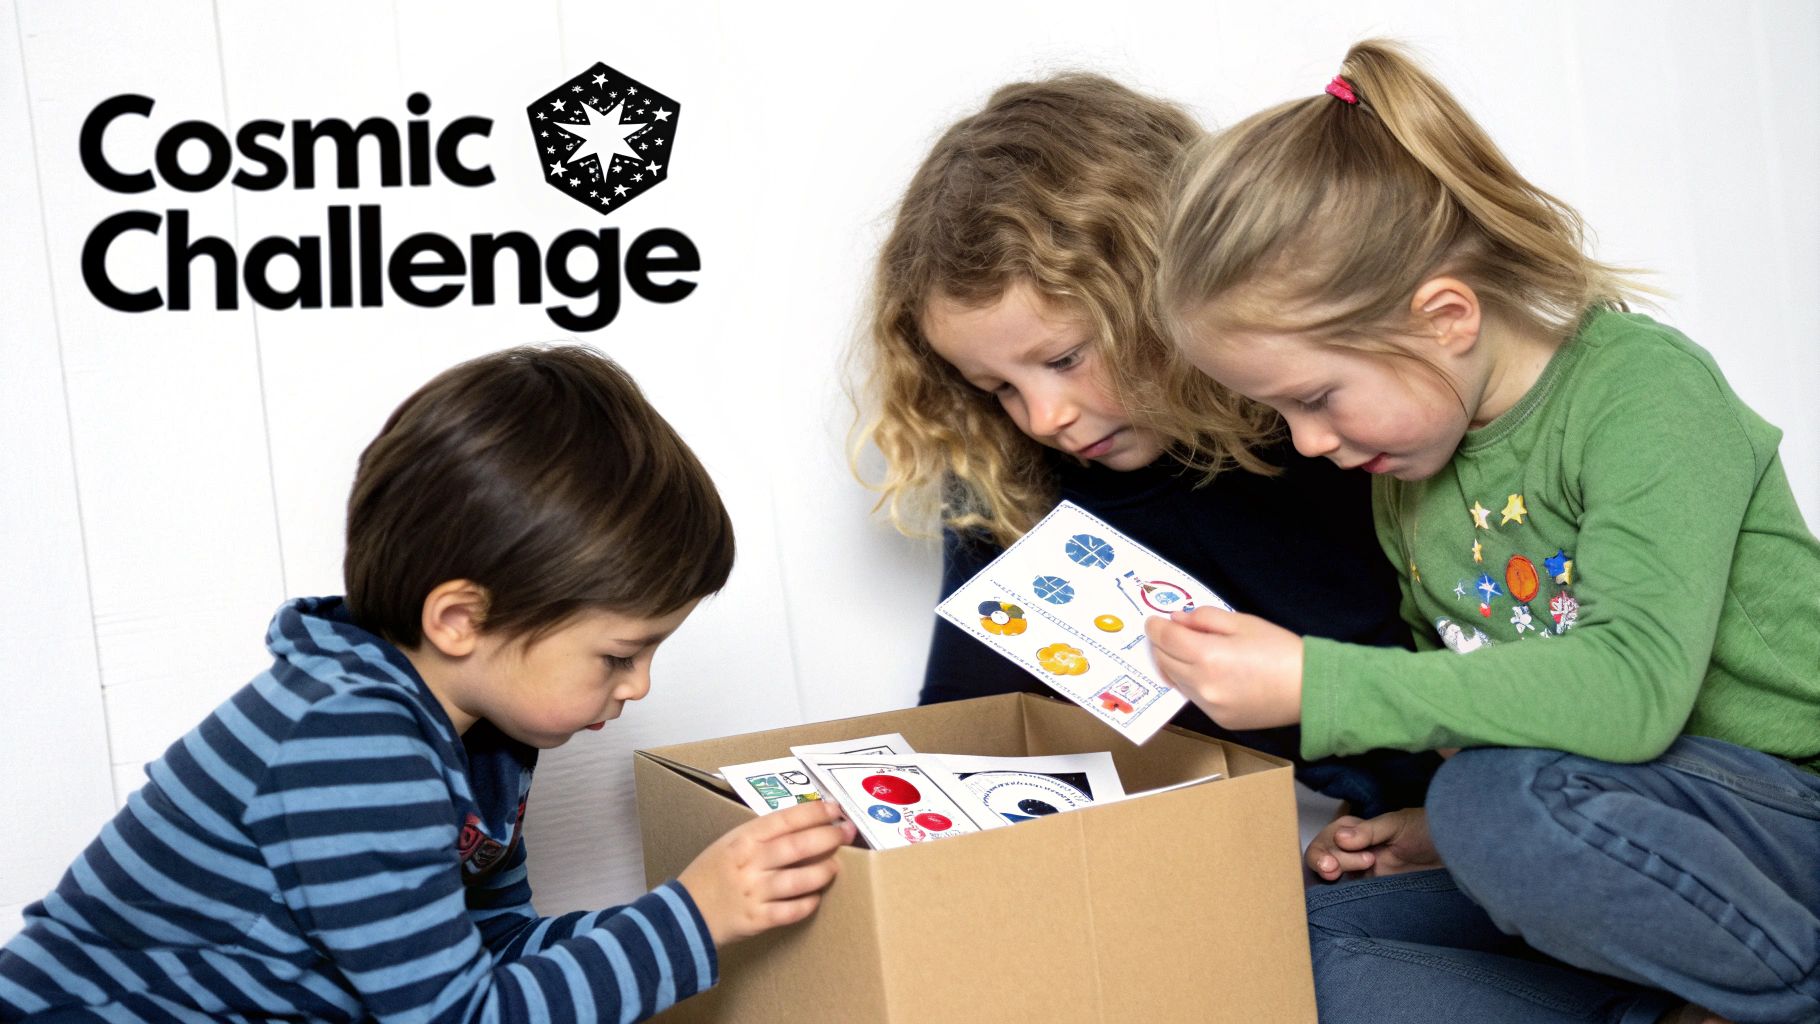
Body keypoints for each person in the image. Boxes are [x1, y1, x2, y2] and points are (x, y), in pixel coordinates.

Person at [1151, 38, 1820, 1024]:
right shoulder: (1410, 478)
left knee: (1494, 806)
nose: (1306, 440)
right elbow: (1487, 723)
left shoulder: (1639, 389)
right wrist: (1437, 832)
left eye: (1317, 397)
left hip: (1780, 822)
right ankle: (1679, 1006)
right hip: (1632, 853)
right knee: (1299, 943)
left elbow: (1630, 691)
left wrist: (1314, 681)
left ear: (1446, 316)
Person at [0, 346, 855, 1022]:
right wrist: (691, 920)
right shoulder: (349, 741)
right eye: (617, 655)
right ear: (459, 620)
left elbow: (490, 954)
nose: (636, 687)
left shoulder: (482, 742)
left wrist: (695, 910)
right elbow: (461, 1015)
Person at [852, 72, 1437, 820]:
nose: (1041, 417)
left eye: (1064, 360)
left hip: (1492, 788)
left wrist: (1437, 821)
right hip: (1306, 840)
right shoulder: (1011, 477)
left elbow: (1500, 664)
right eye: (997, 386)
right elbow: (970, 722)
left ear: (1165, 290)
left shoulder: (1333, 420)